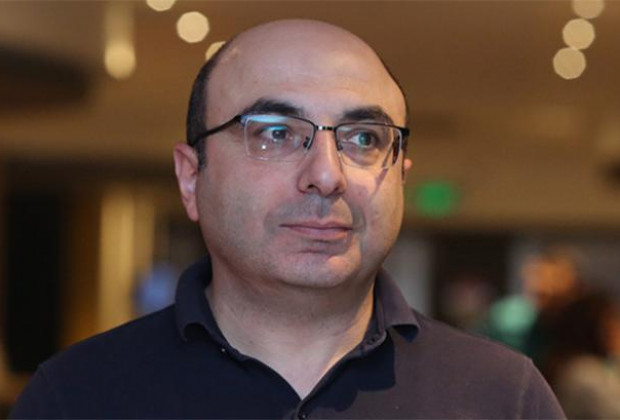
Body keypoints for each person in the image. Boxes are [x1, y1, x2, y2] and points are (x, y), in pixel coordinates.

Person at [10, 19, 565, 419]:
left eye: (364, 139)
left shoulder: (503, 398)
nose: (326, 174)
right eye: (275, 133)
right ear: (191, 178)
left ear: (401, 176)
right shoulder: (78, 397)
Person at [543, 291, 620, 419]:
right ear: (593, 329)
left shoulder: (598, 365)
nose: (616, 329)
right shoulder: (582, 372)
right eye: (611, 323)